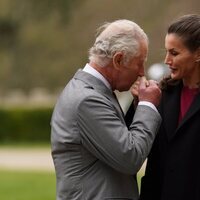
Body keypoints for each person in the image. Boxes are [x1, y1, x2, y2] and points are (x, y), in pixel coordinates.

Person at [51, 19, 161, 200]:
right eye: (139, 63)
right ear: (118, 60)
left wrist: (138, 106)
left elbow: (116, 143)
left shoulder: (92, 92)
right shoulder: (87, 100)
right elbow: (129, 157)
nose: (142, 72)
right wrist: (147, 105)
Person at [136, 14, 200, 200]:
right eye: (166, 52)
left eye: (174, 53)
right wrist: (139, 104)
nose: (166, 60)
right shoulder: (161, 94)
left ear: (197, 53)